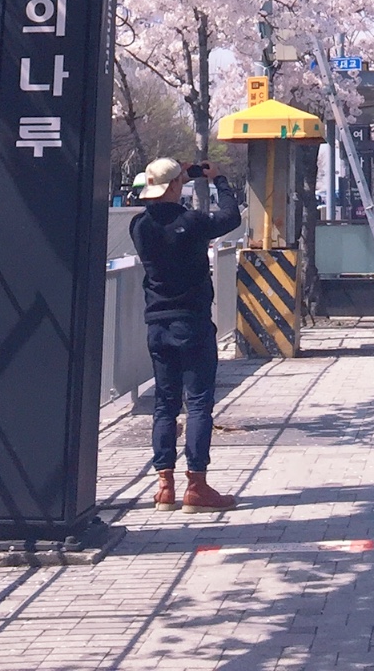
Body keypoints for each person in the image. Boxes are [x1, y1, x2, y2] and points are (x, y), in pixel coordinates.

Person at [130, 156, 242, 512]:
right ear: (177, 185)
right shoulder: (191, 222)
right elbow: (230, 216)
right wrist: (218, 179)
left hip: (157, 324)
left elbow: (154, 207)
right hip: (192, 321)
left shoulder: (139, 226)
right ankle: (197, 486)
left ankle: (164, 486)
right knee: (197, 403)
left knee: (164, 404)